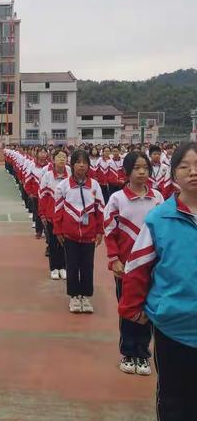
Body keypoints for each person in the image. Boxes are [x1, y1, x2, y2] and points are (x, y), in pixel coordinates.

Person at [119, 142, 197, 420]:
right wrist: (131, 309)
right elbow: (138, 266)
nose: (193, 173)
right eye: (185, 166)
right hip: (172, 326)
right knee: (174, 399)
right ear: (173, 174)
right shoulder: (160, 218)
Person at [104, 151, 163, 376]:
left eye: (145, 168)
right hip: (126, 266)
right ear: (127, 172)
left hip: (151, 265)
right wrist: (114, 259)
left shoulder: (157, 198)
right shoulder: (117, 199)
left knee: (148, 307)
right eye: (137, 168)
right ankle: (128, 352)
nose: (142, 172)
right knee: (128, 308)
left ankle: (143, 353)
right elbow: (109, 231)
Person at [53, 149, 104, 314]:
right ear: (72, 164)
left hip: (89, 234)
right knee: (72, 265)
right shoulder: (63, 186)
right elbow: (58, 210)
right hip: (70, 234)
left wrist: (99, 231)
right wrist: (58, 231)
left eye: (85, 162)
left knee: (87, 266)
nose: (82, 165)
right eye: (78, 162)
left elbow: (100, 210)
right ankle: (74, 296)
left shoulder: (94, 185)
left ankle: (86, 297)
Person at [39, 150, 71, 280]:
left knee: (65, 242)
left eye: (64, 157)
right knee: (52, 242)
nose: (61, 159)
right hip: (51, 215)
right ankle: (54, 268)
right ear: (53, 159)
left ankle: (63, 267)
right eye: (59, 157)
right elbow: (43, 195)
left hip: (67, 214)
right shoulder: (47, 175)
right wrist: (42, 213)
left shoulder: (69, 172)